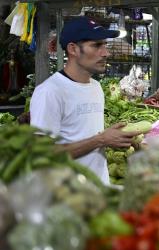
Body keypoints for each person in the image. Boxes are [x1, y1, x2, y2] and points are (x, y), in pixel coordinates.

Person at [30, 16, 139, 184]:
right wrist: (101, 139)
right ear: (73, 49)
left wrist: (113, 138)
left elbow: (84, 136)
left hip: (98, 189)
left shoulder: (96, 87)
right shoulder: (50, 92)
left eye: (105, 45)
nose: (105, 53)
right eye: (96, 45)